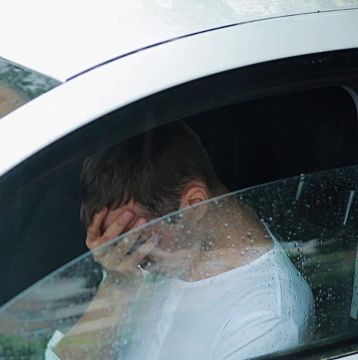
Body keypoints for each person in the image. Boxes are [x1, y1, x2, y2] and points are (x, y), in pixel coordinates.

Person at [46, 121, 314, 359]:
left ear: (194, 205)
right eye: (117, 243)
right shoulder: (144, 259)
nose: (130, 258)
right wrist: (118, 285)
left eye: (136, 241)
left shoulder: (264, 320)